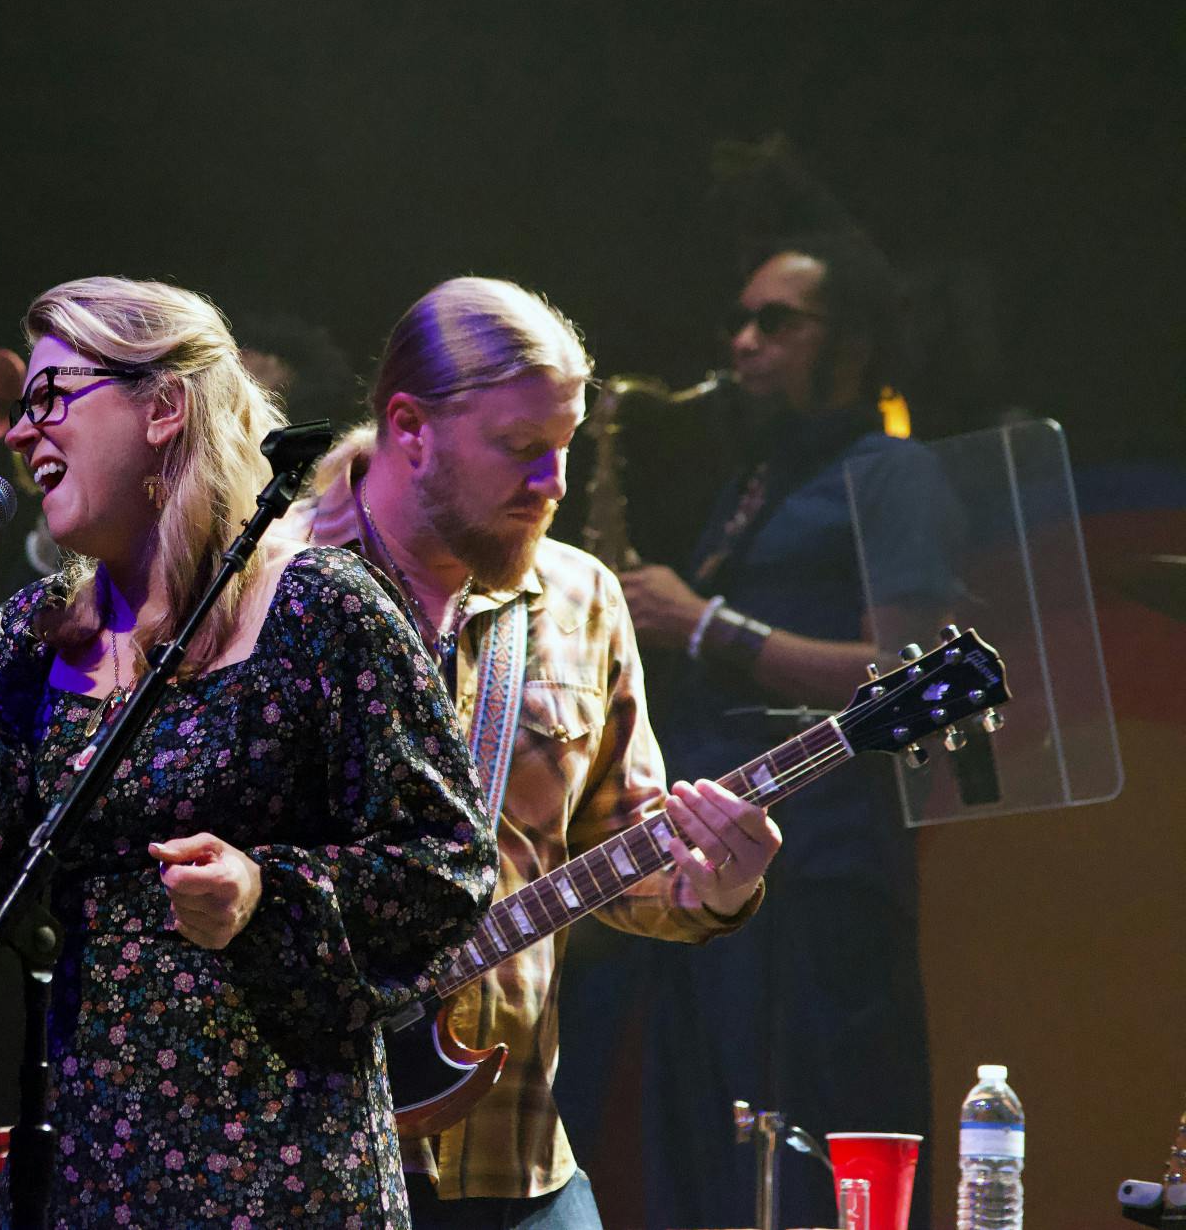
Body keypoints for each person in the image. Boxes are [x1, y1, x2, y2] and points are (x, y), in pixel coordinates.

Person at [0, 276, 497, 1228]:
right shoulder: (37, 636)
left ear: (164, 406)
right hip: (94, 1167)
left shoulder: (321, 606)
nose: (17, 434)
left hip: (288, 1170)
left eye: (49, 401)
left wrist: (264, 891)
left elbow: (449, 864)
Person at [278, 276, 782, 1229]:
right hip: (299, 1160)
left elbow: (621, 841)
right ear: (410, 426)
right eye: (521, 450)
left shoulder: (583, 597)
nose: (554, 483)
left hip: (514, 1160)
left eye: (565, 448)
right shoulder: (268, 580)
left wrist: (712, 882)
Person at [616, 235, 950, 1229]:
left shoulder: (891, 474)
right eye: (740, 319)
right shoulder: (752, 482)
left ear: (847, 342)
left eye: (776, 322)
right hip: (711, 876)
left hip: (822, 878)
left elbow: (914, 676)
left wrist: (703, 624)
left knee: (817, 1150)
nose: (743, 342)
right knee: (706, 1154)